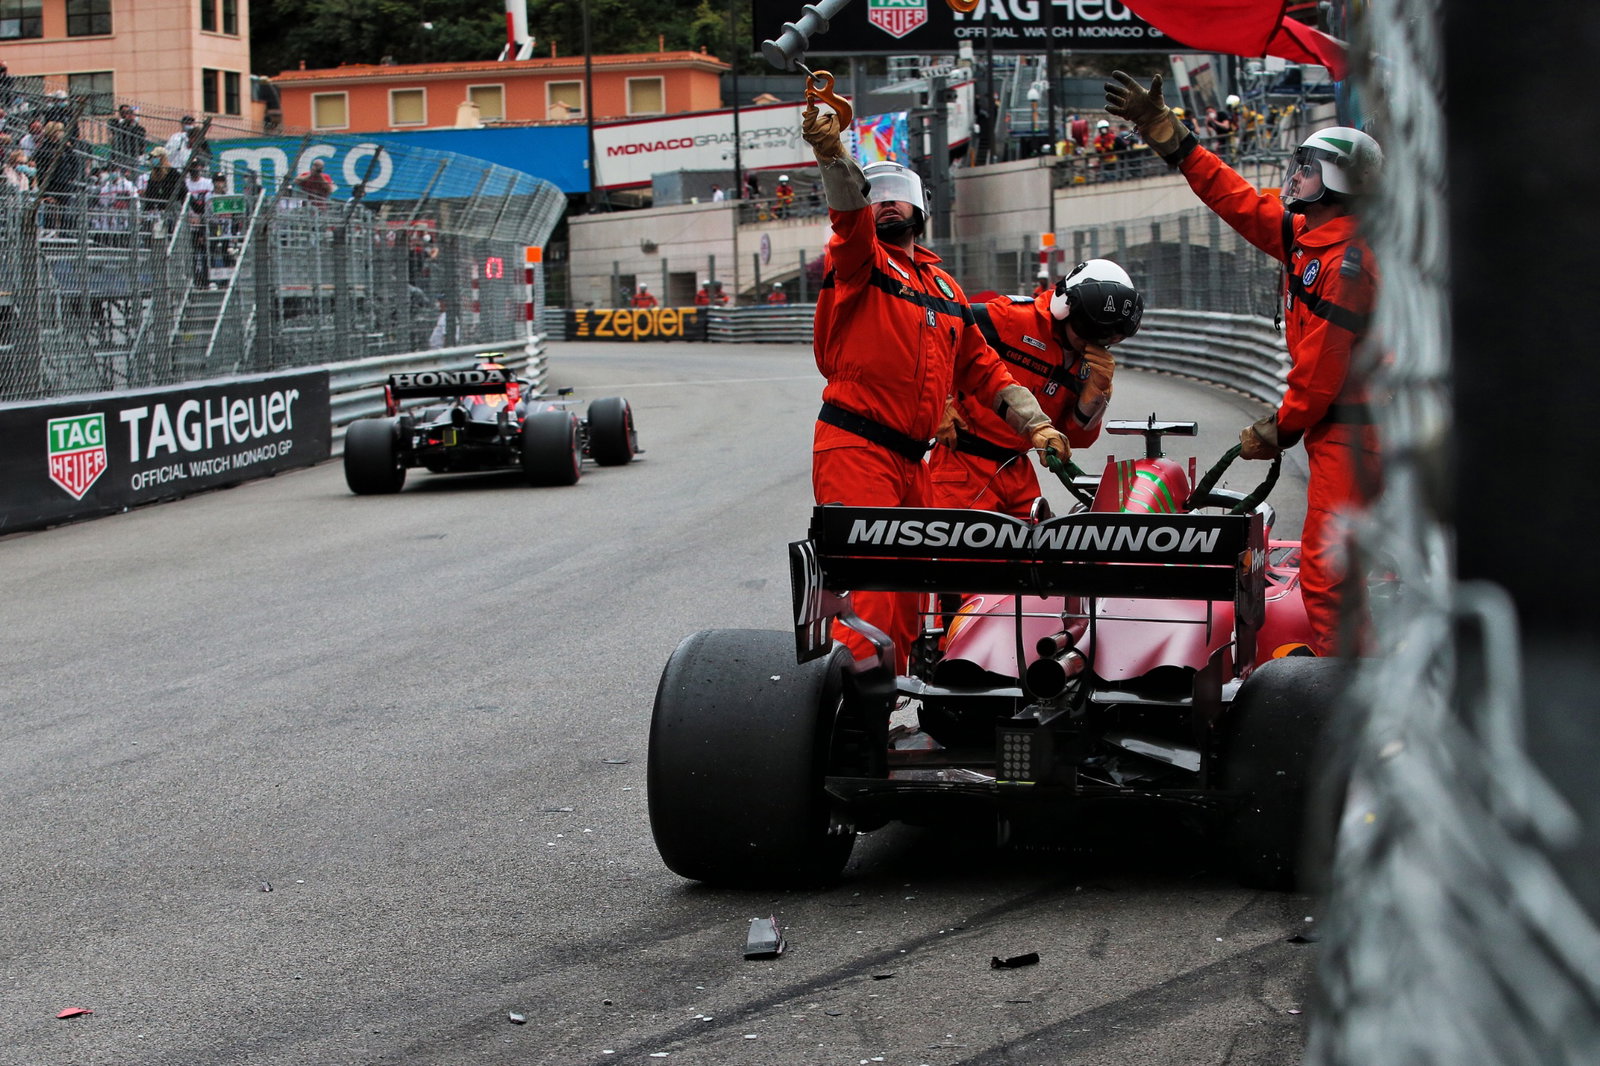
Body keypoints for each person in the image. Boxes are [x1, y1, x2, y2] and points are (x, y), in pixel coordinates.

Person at [1106, 71, 1383, 657]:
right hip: (1352, 432)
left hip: (1359, 435)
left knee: (1330, 576)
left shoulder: (1347, 263)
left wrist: (1279, 429)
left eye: (1308, 168)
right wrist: (1172, 137)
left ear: (1334, 180)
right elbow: (1233, 197)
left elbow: (1321, 369)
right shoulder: (1310, 236)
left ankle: (1342, 698)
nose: (1295, 176)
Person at [801, 99, 1069, 672]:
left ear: (919, 207)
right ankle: (852, 725)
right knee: (872, 594)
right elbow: (847, 215)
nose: (885, 201)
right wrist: (834, 155)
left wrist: (1037, 424)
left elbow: (983, 366)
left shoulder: (943, 286)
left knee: (907, 597)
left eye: (897, 193)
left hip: (914, 459)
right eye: (875, 195)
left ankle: (882, 718)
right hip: (856, 447)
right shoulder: (858, 261)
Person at [930, 260, 1141, 517]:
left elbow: (1075, 439)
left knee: (1037, 552)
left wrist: (1096, 395)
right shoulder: (1011, 318)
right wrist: (937, 401)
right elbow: (936, 335)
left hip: (1017, 470)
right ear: (1067, 307)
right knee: (968, 556)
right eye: (1089, 328)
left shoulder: (1091, 364)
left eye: (1106, 337)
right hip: (962, 467)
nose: (1092, 341)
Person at [108, 103, 147, 169]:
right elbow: (112, 125)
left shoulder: (139, 128)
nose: (127, 114)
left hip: (133, 154)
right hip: (119, 154)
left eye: (129, 112)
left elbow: (141, 140)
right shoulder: (117, 123)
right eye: (125, 112)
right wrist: (124, 120)